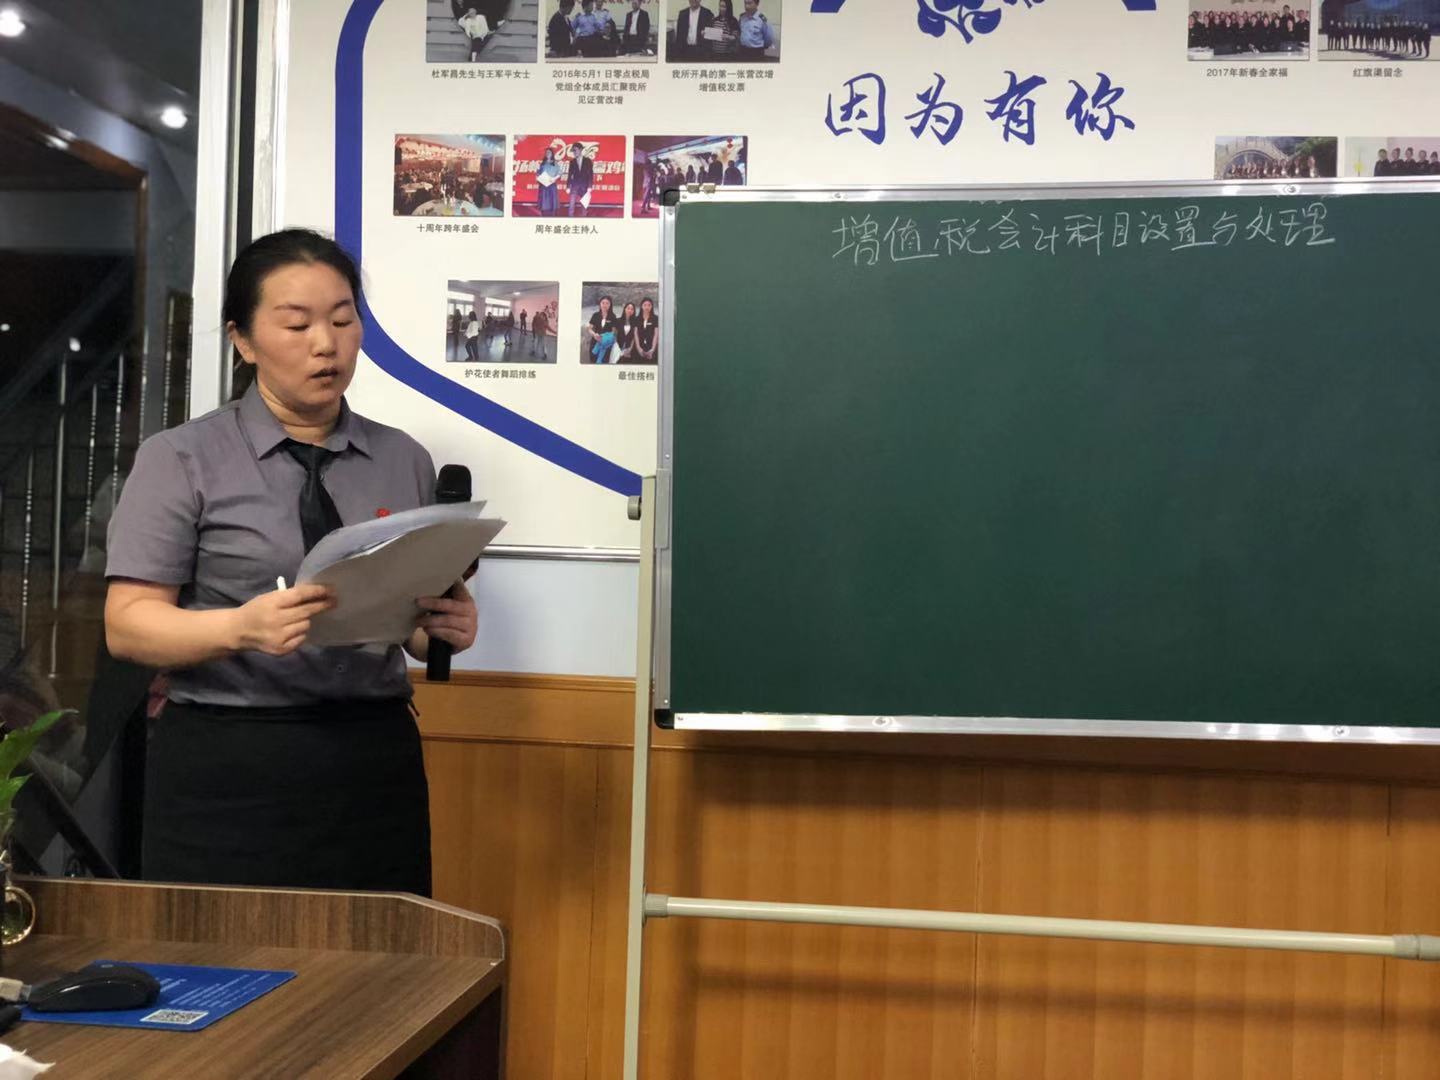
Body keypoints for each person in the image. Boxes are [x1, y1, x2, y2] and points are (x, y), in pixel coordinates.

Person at [104, 229, 477, 895]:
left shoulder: (403, 459)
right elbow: (128, 625)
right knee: (222, 954)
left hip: (373, 761)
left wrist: (439, 628)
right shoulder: (181, 458)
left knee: (380, 956)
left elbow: (405, 625)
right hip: (226, 764)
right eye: (297, 324)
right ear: (243, 341)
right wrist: (240, 628)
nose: (326, 344)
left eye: (343, 319)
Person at [567, 141, 594, 217]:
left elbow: (590, 174)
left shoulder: (587, 161)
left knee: (584, 204)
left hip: (584, 185)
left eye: (575, 150)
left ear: (580, 150)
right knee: (571, 204)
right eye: (573, 151)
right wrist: (568, 186)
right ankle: (570, 218)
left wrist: (590, 186)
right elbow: (570, 175)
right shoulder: (572, 162)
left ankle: (583, 218)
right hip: (574, 186)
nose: (574, 152)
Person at [587, 296, 616, 363]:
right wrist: (594, 335)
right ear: (600, 304)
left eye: (607, 303)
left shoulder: (613, 316)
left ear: (610, 305)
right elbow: (589, 329)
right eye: (603, 303)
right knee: (593, 360)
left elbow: (613, 332)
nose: (605, 305)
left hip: (606, 344)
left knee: (604, 362)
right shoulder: (595, 315)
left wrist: (605, 338)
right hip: (595, 341)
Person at [537, 146, 561, 216]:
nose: (547, 154)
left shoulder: (555, 163)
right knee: (543, 203)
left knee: (552, 203)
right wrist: (537, 177)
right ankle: (544, 216)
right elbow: (538, 173)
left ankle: (552, 216)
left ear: (552, 154)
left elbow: (560, 173)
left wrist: (554, 178)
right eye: (546, 152)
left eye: (549, 152)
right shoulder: (542, 164)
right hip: (543, 185)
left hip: (551, 185)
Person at [635, 297, 658, 365]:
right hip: (639, 347)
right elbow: (636, 334)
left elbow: (656, 334)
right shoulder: (637, 319)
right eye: (645, 305)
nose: (647, 307)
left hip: (651, 347)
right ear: (641, 306)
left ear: (652, 307)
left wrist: (652, 349)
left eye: (649, 305)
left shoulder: (655, 318)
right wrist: (639, 348)